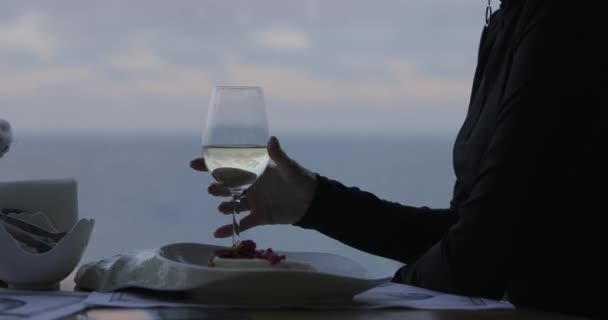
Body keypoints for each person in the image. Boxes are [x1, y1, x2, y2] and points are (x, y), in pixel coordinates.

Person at [191, 0, 606, 317]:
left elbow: (481, 253)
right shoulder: (511, 18)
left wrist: (350, 298)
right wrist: (317, 202)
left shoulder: (565, 19)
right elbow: (470, 231)